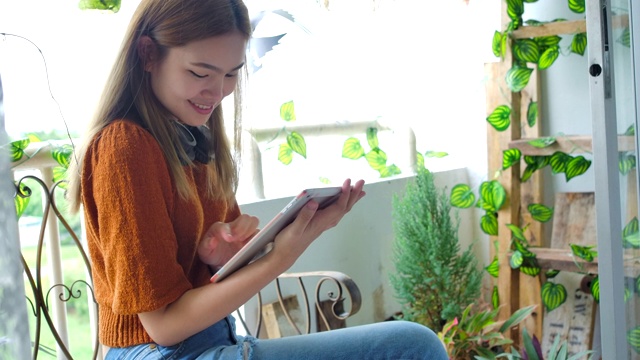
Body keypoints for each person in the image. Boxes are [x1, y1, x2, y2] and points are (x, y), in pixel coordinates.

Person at [67, 0, 448, 359]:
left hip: (216, 341)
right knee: (413, 346)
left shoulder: (195, 137)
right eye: (200, 72)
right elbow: (164, 325)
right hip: (166, 351)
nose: (217, 92)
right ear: (148, 54)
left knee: (411, 344)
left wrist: (224, 256)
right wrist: (281, 255)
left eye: (232, 74)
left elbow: (206, 276)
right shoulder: (124, 146)